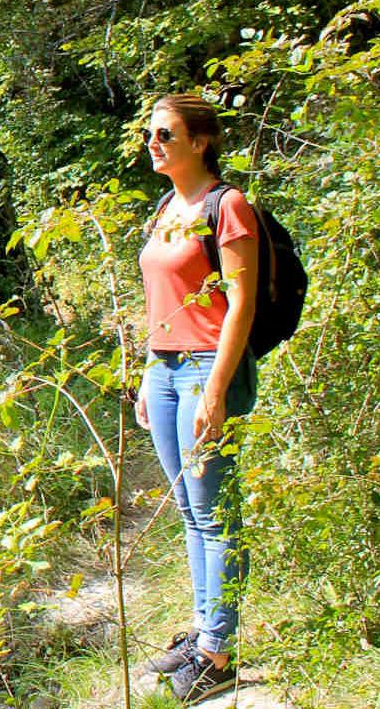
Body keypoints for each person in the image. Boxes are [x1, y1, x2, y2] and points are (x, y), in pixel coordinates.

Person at [134, 93, 259, 704]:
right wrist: (144, 374)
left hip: (208, 369)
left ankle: (217, 652)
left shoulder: (226, 205)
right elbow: (161, 297)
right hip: (163, 371)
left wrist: (214, 388)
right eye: (151, 135)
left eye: (165, 134)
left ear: (201, 141)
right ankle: (205, 631)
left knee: (214, 513)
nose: (153, 144)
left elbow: (241, 304)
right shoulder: (165, 207)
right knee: (188, 508)